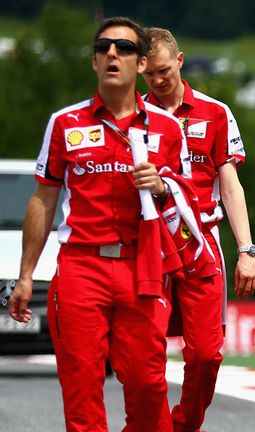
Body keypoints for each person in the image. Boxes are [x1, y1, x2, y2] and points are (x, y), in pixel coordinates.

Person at [7, 17, 189, 431]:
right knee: (82, 387)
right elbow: (43, 198)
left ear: (141, 64)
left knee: (147, 385)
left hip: (141, 268)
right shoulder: (65, 122)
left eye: (124, 48)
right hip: (81, 267)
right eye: (104, 47)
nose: (112, 54)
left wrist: (162, 186)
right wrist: (25, 275)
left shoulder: (167, 128)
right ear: (93, 61)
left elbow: (184, 204)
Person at [141, 27, 255, 432]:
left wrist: (246, 250)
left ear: (180, 61)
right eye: (149, 73)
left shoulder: (215, 112)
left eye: (163, 70)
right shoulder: (133, 117)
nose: (158, 80)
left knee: (207, 354)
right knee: (144, 352)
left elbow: (231, 185)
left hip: (200, 241)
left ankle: (184, 424)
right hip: (150, 243)